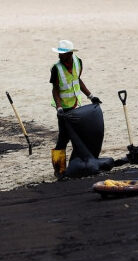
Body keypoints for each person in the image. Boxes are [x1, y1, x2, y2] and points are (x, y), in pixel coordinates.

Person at [50, 40, 101, 178]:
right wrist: (59, 107)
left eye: (62, 53)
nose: (59, 56)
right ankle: (59, 170)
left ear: (70, 53)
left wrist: (91, 96)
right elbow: (55, 89)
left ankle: (80, 165)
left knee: (80, 136)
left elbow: (78, 80)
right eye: (59, 53)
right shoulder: (56, 68)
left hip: (76, 106)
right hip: (64, 110)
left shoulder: (78, 62)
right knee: (63, 138)